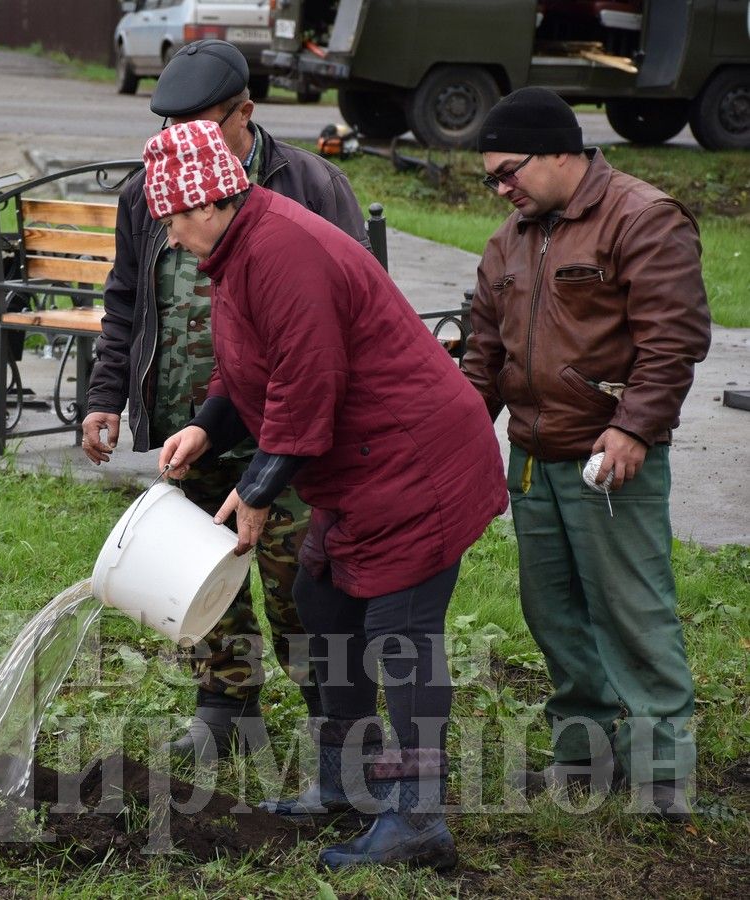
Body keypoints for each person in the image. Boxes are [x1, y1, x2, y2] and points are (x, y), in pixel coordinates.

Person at [146, 120, 506, 871]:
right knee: (322, 601)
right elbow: (253, 367)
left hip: (415, 461)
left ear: (211, 200)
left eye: (174, 218)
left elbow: (309, 383)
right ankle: (348, 783)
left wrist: (256, 491)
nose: (171, 237)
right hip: (359, 467)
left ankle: (416, 818)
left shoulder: (283, 250)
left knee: (401, 635)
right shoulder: (238, 253)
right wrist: (207, 429)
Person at [82, 38, 370, 766]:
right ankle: (225, 706)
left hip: (290, 425)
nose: (179, 144)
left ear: (245, 111)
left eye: (199, 126)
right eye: (168, 128)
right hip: (194, 421)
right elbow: (124, 301)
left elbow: (352, 314)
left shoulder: (310, 185)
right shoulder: (144, 190)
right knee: (201, 570)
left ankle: (326, 719)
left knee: (300, 579)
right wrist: (104, 395)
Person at [462, 88, 711, 819]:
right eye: (491, 179)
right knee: (552, 611)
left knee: (631, 609)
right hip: (534, 457)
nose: (500, 188)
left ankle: (662, 773)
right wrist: (448, 428)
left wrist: (634, 426)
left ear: (559, 152)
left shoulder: (642, 217)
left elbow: (673, 338)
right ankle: (583, 752)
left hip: (609, 459)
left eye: (507, 171)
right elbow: (483, 351)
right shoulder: (509, 238)